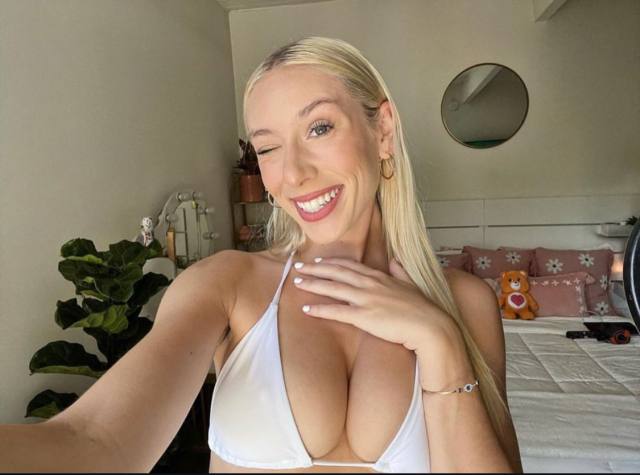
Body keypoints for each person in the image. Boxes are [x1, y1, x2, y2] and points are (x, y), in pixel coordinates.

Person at [0, 36, 522, 473]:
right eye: (268, 148)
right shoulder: (226, 285)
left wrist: (440, 343)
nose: (293, 174)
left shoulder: (463, 303)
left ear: (382, 130)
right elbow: (96, 441)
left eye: (319, 128)